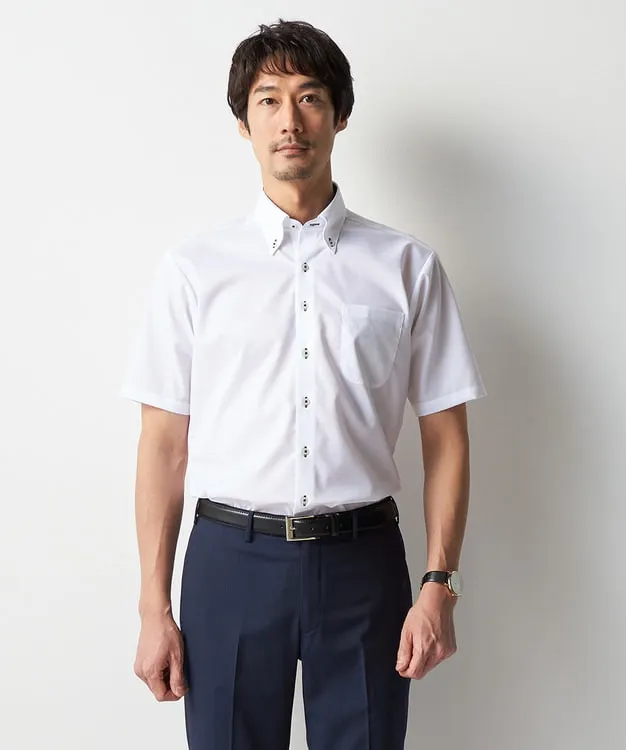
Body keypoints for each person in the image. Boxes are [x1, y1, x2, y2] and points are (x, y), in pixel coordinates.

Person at [121, 18, 487, 750]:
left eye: (310, 97)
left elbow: (446, 436)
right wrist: (153, 608)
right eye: (268, 99)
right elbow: (163, 446)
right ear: (243, 122)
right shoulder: (194, 270)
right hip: (229, 563)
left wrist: (439, 584)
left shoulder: (407, 266)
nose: (290, 120)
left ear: (339, 115)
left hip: (363, 566)